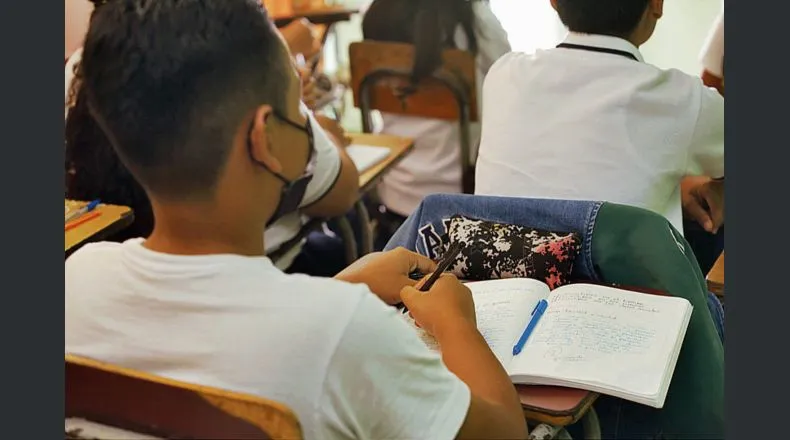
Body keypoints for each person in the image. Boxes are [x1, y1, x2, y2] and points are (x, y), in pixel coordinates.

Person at [65, 1, 528, 439]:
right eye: (299, 113)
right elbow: (506, 432)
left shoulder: (74, 282)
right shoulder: (346, 334)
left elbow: (234, 334)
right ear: (265, 139)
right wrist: (456, 325)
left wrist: (341, 287)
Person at [65, 5, 359, 277]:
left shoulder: (87, 68)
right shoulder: (254, 76)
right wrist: (320, 127)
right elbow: (342, 191)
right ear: (263, 138)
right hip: (266, 271)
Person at [475, 0, 724, 244]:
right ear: (656, 5)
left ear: (553, 2)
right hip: (625, 283)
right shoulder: (685, 99)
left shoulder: (503, 76)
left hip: (490, 280)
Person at [361, 0, 511, 245]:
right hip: (460, 196)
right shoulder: (470, 18)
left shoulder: (378, 13)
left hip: (393, 189)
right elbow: (508, 77)